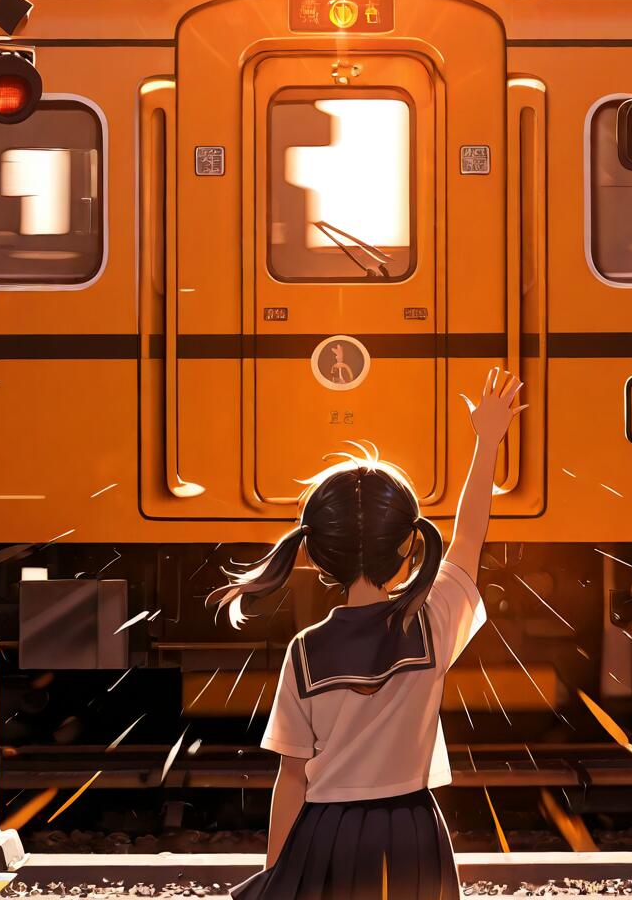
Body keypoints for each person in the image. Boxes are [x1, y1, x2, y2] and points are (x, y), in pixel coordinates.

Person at [206, 367, 525, 900]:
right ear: (408, 547)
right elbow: (469, 535)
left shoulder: (305, 651)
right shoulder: (432, 622)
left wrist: (274, 878)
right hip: (414, 830)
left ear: (315, 553)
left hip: (324, 833)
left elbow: (291, 779)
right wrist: (487, 441)